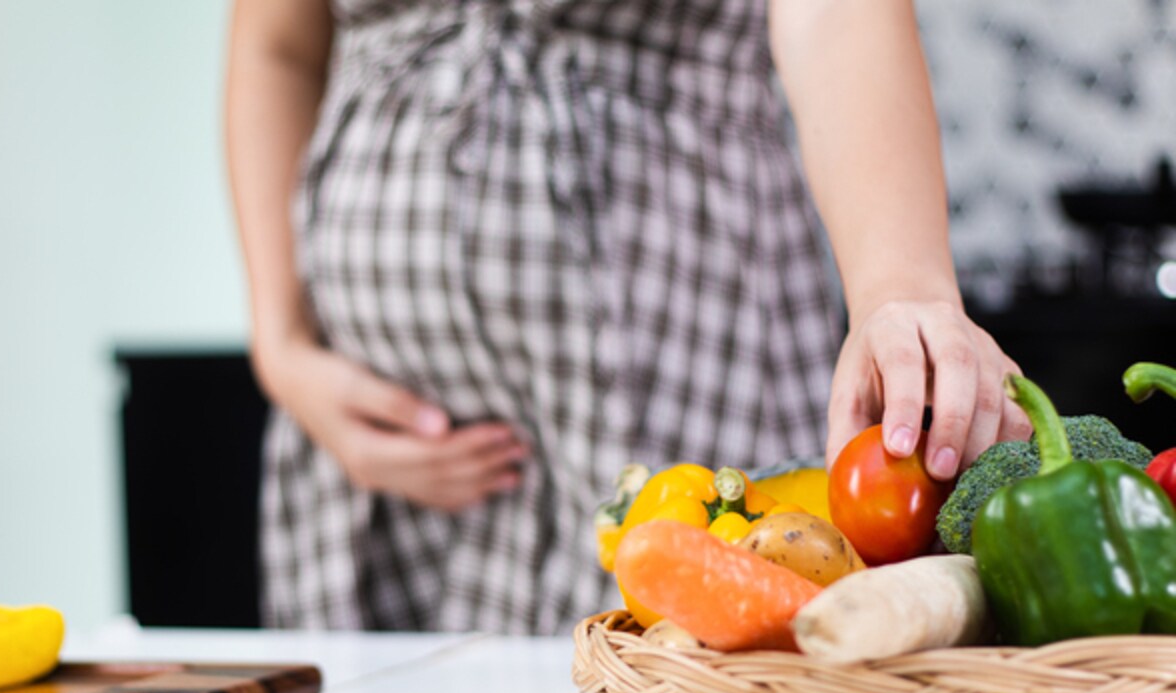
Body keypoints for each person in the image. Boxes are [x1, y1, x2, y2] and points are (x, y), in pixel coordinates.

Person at [224, 0, 1030, 633]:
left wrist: (898, 286)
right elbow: (277, 45)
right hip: (375, 463)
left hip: (678, 382)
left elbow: (834, 14)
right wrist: (281, 343)